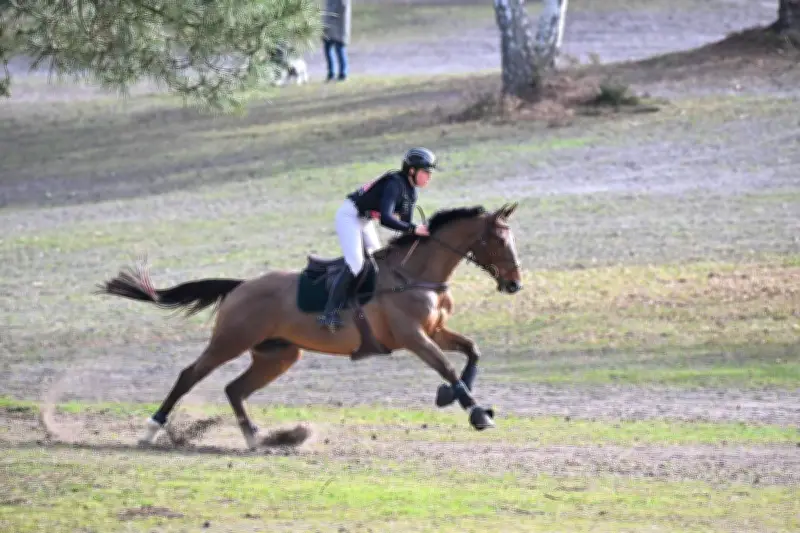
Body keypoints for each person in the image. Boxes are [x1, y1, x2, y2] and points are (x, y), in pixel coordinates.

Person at [317, 147, 438, 331]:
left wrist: (422, 235)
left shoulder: (411, 192)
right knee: (356, 263)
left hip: (365, 220)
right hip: (349, 215)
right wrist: (414, 228)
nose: (429, 177)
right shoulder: (394, 184)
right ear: (412, 171)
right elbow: (386, 219)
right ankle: (329, 313)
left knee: (377, 259)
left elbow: (405, 226)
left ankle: (364, 301)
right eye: (426, 172)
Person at [322, 0, 351, 81]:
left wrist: (332, 15)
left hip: (339, 24)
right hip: (329, 23)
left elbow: (343, 6)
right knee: (327, 47)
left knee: (339, 48)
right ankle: (331, 73)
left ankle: (343, 73)